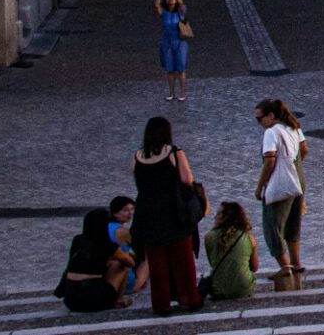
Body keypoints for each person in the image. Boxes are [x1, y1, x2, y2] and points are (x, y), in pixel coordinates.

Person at [132, 117, 203, 316]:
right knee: (183, 259)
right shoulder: (174, 152)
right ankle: (190, 298)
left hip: (147, 213)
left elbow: (138, 183)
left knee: (156, 263)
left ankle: (161, 304)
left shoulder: (137, 156)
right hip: (173, 212)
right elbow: (186, 179)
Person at [254, 98, 309, 282]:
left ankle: (285, 267)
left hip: (281, 183)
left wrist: (260, 186)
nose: (259, 123)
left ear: (271, 115)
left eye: (259, 118)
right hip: (298, 180)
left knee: (272, 226)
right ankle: (296, 262)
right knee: (293, 223)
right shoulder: (293, 127)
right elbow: (304, 149)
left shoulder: (271, 132)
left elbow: (270, 161)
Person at [54, 208, 130, 312]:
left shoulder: (78, 240)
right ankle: (118, 300)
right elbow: (130, 262)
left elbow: (69, 265)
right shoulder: (106, 243)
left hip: (70, 300)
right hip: (93, 299)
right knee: (120, 264)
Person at [203, 202, 259, 300]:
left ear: (225, 218)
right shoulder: (249, 238)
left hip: (218, 290)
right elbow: (254, 268)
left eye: (218, 214)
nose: (214, 217)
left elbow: (212, 263)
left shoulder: (208, 237)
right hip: (243, 289)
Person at [108, 196, 147, 302]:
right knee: (148, 257)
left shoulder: (106, 227)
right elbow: (140, 249)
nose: (130, 213)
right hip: (125, 281)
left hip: (109, 275)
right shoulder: (123, 232)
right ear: (115, 213)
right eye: (125, 210)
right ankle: (140, 282)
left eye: (132, 209)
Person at [157, 0, 189, 102]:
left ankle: (182, 93)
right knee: (170, 69)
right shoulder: (164, 12)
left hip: (180, 42)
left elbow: (181, 3)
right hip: (167, 43)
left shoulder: (181, 11)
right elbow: (157, 5)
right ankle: (171, 93)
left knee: (181, 68)